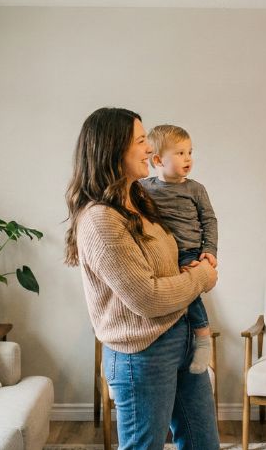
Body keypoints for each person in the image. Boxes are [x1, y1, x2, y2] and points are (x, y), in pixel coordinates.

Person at [64, 107, 220, 450]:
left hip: (180, 336)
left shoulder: (139, 200)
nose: (149, 149)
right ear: (113, 150)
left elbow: (166, 267)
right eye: (140, 141)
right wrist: (203, 277)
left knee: (203, 444)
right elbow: (147, 297)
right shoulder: (101, 221)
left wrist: (195, 265)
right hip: (142, 352)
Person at [140, 124, 218, 374]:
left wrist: (210, 250)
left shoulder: (195, 189)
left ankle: (203, 337)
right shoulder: (143, 188)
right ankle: (172, 341)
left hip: (188, 251)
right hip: (159, 254)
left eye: (190, 152)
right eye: (180, 153)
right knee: (165, 296)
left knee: (190, 292)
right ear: (158, 160)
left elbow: (209, 220)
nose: (188, 159)